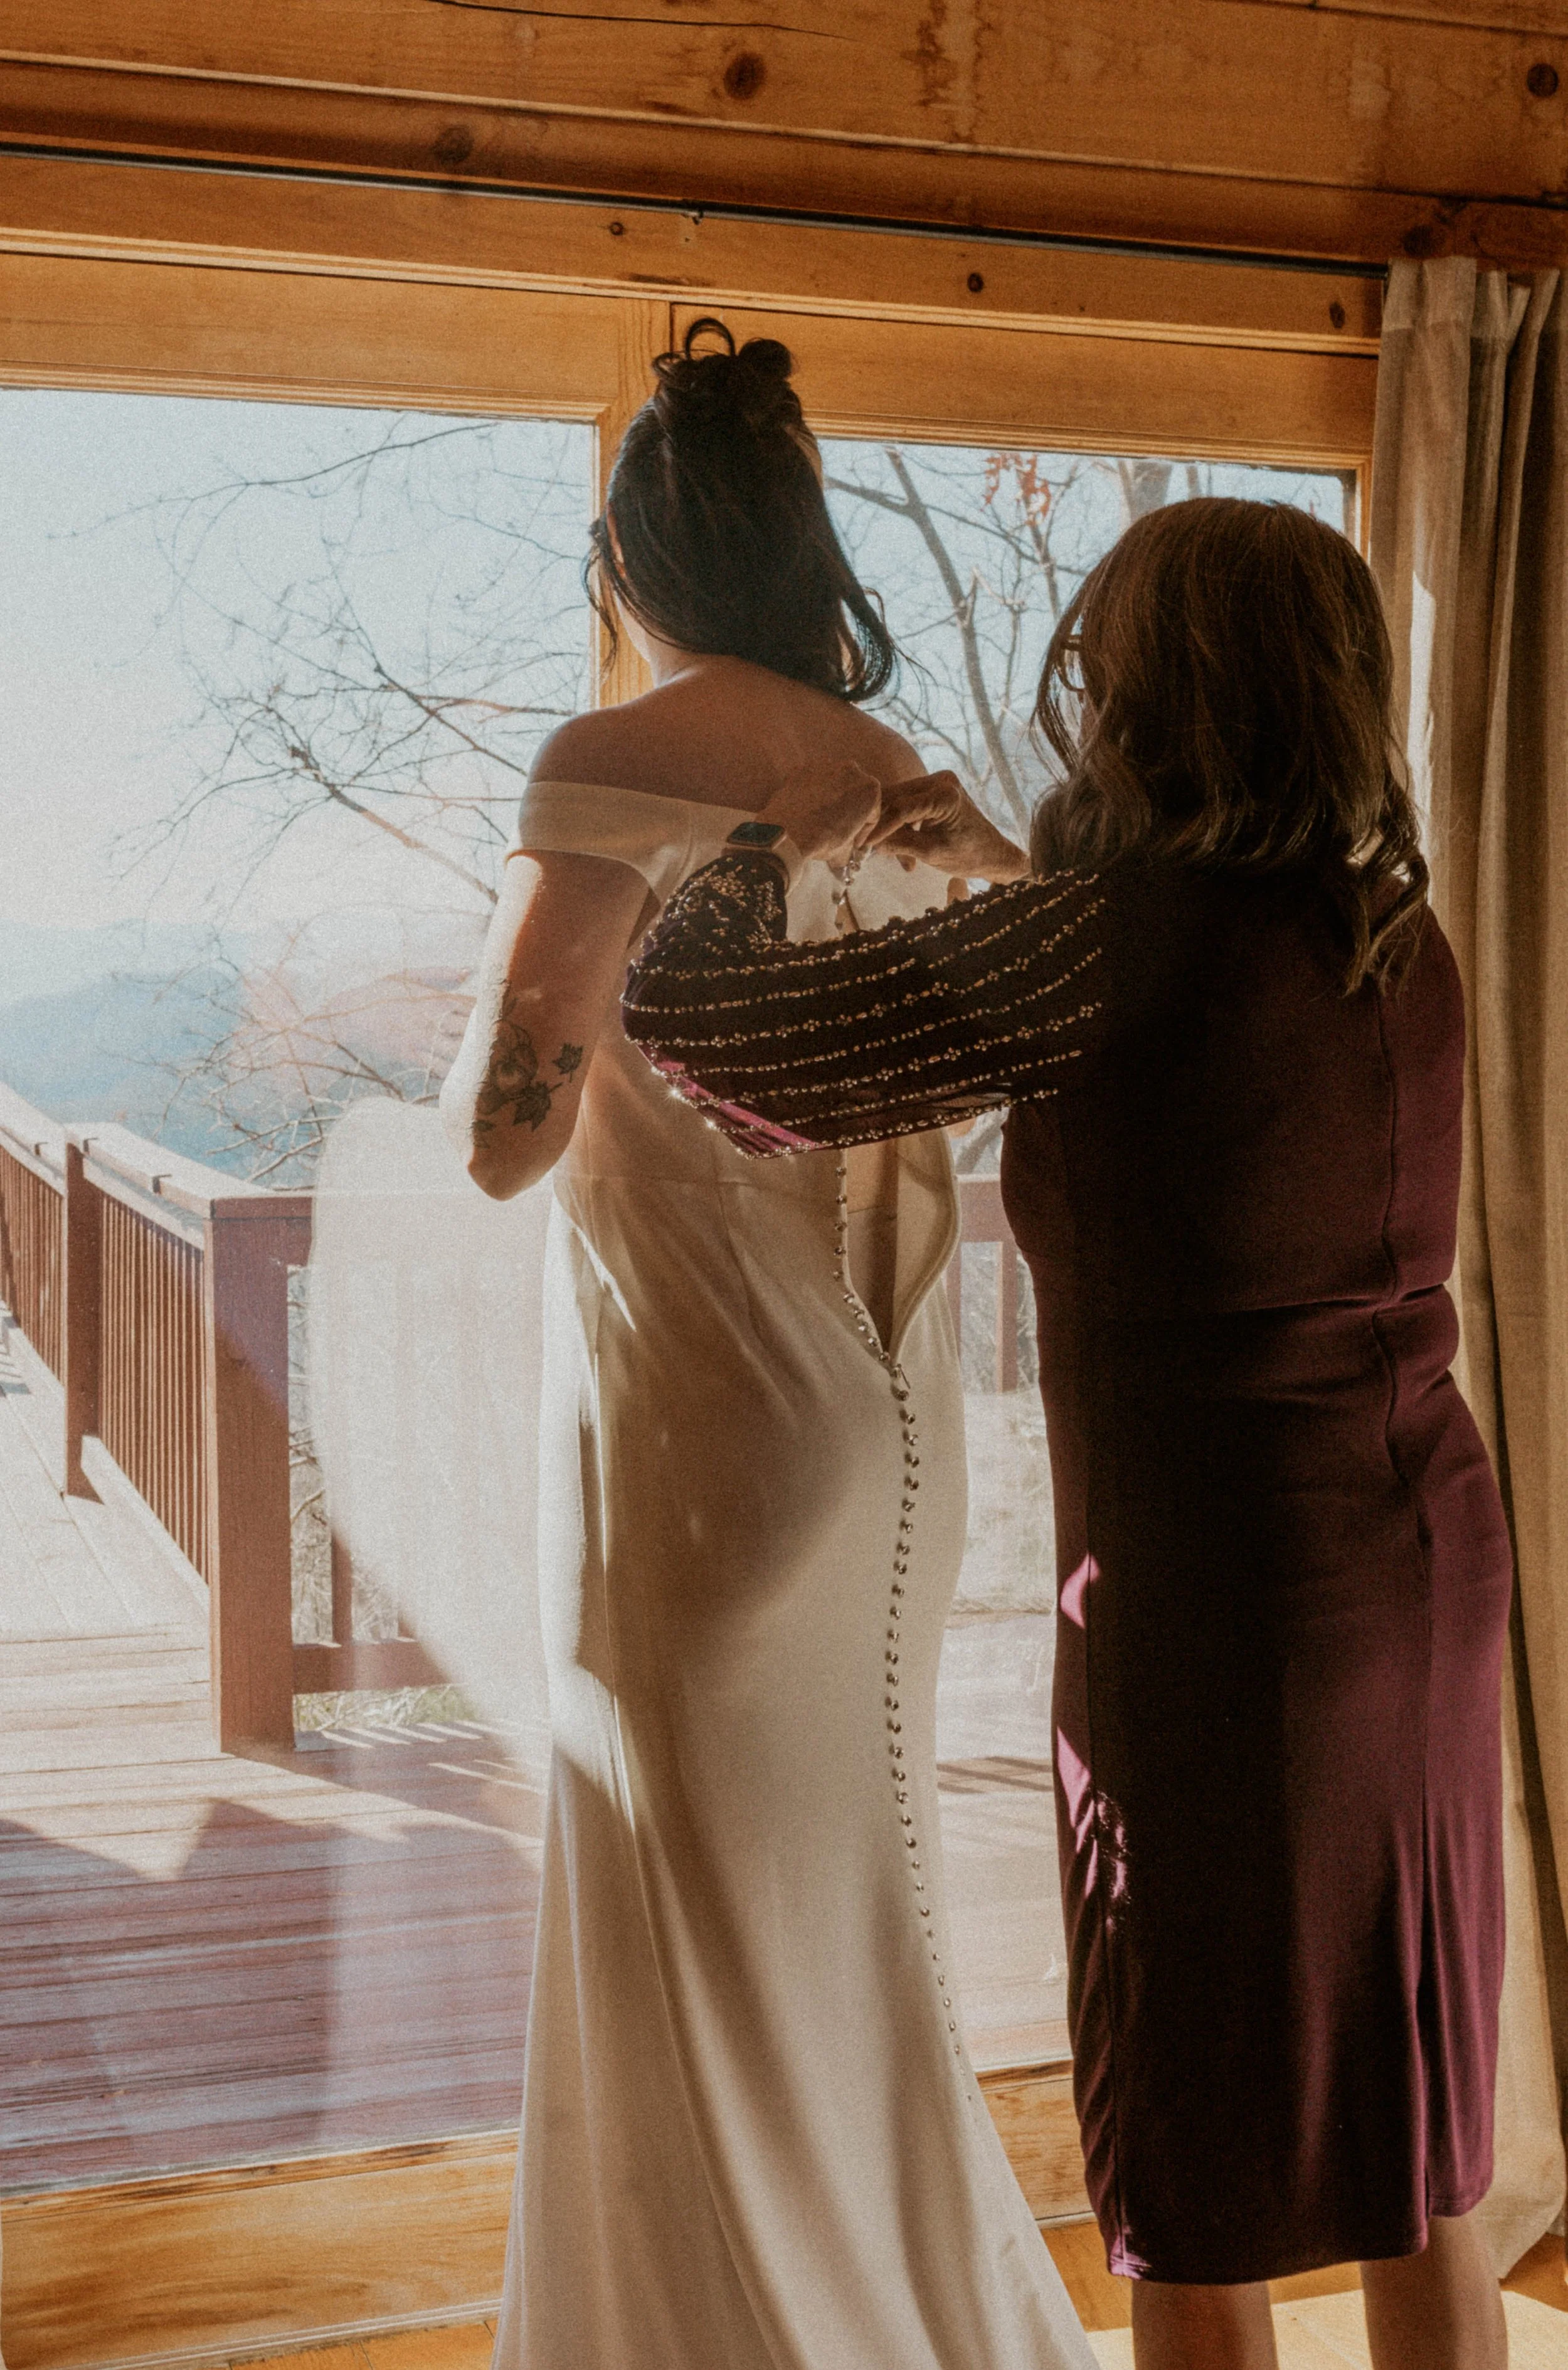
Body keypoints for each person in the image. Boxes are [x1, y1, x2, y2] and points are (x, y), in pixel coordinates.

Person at [621, 497, 1515, 2370]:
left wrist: (745, 830)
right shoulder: (1380, 930)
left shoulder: (1101, 952)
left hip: (1212, 1611)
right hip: (1414, 1564)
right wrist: (1005, 869)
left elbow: (706, 1028)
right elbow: (1200, 1021)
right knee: (1401, 2121)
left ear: (1147, 692)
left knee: (1186, 2147)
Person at [440, 320, 1098, 2370]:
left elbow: (504, 1136)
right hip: (879, 1413)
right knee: (839, 1915)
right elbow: (991, 1040)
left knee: (679, 1903)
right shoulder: (896, 777)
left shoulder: (613, 759)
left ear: (628, 567)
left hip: (695, 1418)